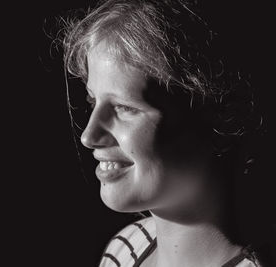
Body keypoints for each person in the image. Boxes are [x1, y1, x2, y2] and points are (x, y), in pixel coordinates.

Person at [58, 0, 274, 266]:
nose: (89, 136)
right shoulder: (125, 248)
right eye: (93, 101)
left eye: (125, 108)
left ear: (222, 120)